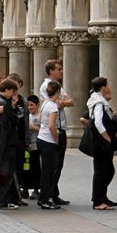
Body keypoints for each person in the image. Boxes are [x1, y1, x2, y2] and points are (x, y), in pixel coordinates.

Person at [39, 60, 73, 206]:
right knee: (50, 168)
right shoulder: (47, 91)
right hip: (51, 137)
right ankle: (47, 196)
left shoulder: (53, 97)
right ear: (51, 71)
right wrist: (57, 139)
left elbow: (70, 102)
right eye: (58, 69)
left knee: (56, 166)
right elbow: (52, 123)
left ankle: (52, 193)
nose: (61, 71)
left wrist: (63, 102)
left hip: (55, 133)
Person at [0, 79, 24, 209]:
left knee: (3, 172)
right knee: (6, 172)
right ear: (7, 90)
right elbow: (15, 120)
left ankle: (0, 199)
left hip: (0, 141)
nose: (14, 95)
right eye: (13, 91)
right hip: (7, 142)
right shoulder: (3, 103)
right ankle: (2, 201)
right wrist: (14, 108)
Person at [87, 77, 117, 210]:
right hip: (101, 143)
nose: (109, 87)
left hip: (102, 142)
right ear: (103, 87)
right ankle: (98, 200)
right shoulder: (99, 103)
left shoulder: (99, 101)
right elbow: (98, 122)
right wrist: (107, 138)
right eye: (108, 85)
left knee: (107, 170)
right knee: (102, 171)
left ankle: (102, 197)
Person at [37, 80, 63, 209]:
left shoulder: (44, 104)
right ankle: (45, 199)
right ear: (57, 91)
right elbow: (52, 125)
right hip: (49, 141)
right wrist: (56, 139)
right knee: (50, 171)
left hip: (41, 138)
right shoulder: (53, 106)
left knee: (45, 171)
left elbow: (43, 121)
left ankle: (43, 198)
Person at [23, 95, 42, 201]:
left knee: (36, 168)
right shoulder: (27, 116)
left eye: (32, 105)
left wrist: (33, 127)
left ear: (37, 105)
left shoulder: (40, 116)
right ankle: (25, 188)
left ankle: (36, 189)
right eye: (28, 105)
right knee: (26, 168)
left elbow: (43, 130)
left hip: (37, 146)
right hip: (28, 146)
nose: (30, 107)